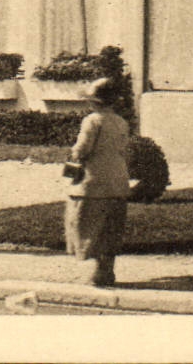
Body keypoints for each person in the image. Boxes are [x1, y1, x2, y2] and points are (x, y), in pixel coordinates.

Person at [65, 77, 131, 287]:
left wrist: (73, 155)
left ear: (96, 102)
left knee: (88, 224)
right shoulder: (121, 122)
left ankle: (96, 272)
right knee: (111, 227)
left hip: (93, 181)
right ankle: (106, 271)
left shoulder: (92, 121)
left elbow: (83, 148)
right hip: (118, 180)